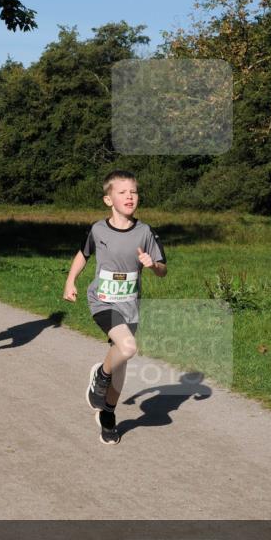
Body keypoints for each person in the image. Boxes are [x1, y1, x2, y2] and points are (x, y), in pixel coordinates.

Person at [63, 170, 167, 445]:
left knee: (122, 360)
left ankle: (108, 413)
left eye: (133, 191)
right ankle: (100, 374)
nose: (129, 196)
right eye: (122, 192)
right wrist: (70, 281)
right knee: (128, 348)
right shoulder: (98, 229)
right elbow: (83, 254)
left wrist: (153, 265)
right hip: (103, 302)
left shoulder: (145, 232)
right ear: (108, 200)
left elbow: (163, 270)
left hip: (130, 305)